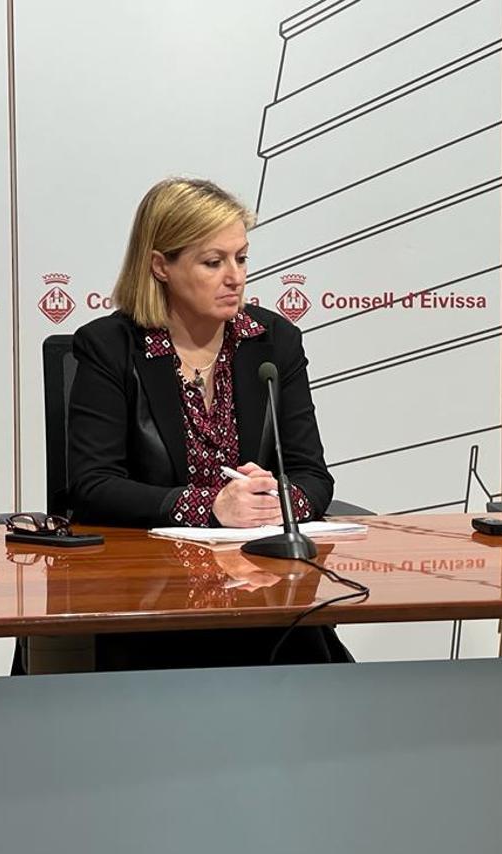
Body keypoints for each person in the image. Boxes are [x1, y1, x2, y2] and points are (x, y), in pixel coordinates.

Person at [57, 177, 349, 669]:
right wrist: (210, 505)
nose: (234, 276)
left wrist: (272, 501)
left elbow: (313, 476)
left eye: (241, 258)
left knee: (323, 688)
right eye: (213, 262)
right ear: (160, 266)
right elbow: (92, 485)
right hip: (149, 595)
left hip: (263, 587)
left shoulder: (273, 342)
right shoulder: (110, 347)